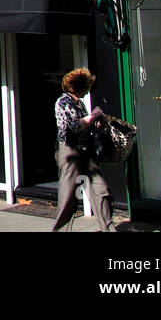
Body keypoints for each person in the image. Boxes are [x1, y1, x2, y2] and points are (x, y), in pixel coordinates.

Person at [51, 67, 116, 232]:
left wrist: (95, 122)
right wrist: (93, 116)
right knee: (68, 196)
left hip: (86, 151)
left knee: (102, 191)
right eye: (86, 87)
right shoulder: (63, 101)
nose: (88, 91)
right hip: (70, 151)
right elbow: (74, 126)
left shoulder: (79, 103)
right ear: (78, 86)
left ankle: (108, 229)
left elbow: (85, 124)